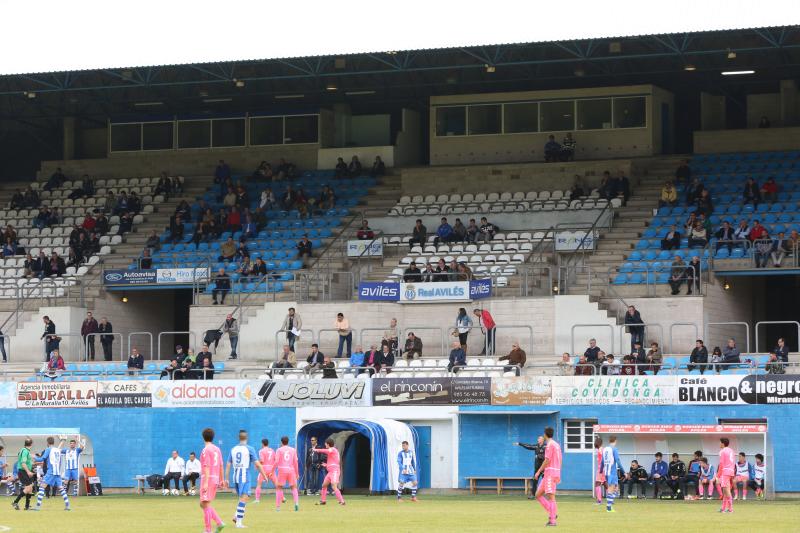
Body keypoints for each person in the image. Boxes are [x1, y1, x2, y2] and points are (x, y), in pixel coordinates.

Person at [225, 430, 268, 529]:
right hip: (244, 475)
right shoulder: (249, 449)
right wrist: (264, 475)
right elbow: (257, 464)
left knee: (244, 498)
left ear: (239, 438)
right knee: (244, 498)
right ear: (246, 438)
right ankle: (239, 523)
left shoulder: (233, 449)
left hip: (235, 475)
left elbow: (228, 465)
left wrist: (226, 479)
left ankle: (236, 516)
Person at [533, 427, 561, 527]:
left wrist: (538, 471)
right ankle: (553, 512)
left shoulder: (550, 445)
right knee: (537, 495)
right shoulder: (557, 444)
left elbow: (547, 460)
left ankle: (552, 520)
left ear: (545, 434)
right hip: (551, 473)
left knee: (551, 496)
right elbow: (560, 460)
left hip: (550, 473)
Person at [199, 427, 226, 533]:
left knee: (205, 504)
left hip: (208, 478)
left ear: (203, 437)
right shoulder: (217, 449)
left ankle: (208, 530)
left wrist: (205, 483)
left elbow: (206, 466)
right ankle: (219, 523)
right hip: (214, 478)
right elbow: (221, 465)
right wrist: (222, 480)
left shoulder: (206, 450)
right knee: (203, 503)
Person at [33, 435, 70, 511]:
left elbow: (42, 458)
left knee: (42, 487)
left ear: (47, 442)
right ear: (53, 442)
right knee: (61, 488)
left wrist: (34, 457)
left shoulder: (48, 449)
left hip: (51, 471)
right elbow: (65, 450)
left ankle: (38, 506)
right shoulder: (57, 449)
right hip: (57, 472)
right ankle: (67, 505)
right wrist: (63, 440)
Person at [313, 438, 346, 506]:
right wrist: (327, 465)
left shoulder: (332, 449)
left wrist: (316, 450)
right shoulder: (333, 451)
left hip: (334, 471)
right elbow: (334, 461)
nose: (325, 445)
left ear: (328, 444)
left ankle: (342, 501)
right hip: (330, 472)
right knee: (324, 485)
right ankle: (323, 501)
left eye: (325, 444)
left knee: (334, 486)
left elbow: (326, 451)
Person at [274, 436, 300, 512]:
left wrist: (272, 470)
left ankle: (278, 507)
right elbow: (295, 462)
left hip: (282, 470)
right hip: (291, 470)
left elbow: (276, 461)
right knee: (294, 487)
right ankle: (296, 504)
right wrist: (297, 473)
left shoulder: (279, 450)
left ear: (281, 442)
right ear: (288, 442)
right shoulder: (293, 450)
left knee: (279, 488)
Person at [11, 438, 35, 510]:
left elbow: (27, 462)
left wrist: (37, 463)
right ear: (31, 444)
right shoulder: (25, 451)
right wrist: (28, 471)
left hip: (23, 471)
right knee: (28, 488)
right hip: (23, 471)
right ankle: (15, 501)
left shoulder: (23, 450)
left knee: (30, 488)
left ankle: (27, 506)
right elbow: (23, 463)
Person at [715, 437, 736, 513]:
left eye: (720, 442)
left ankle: (730, 509)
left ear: (722, 443)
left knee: (726, 490)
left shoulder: (722, 451)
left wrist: (717, 475)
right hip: (730, 471)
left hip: (725, 471)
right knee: (725, 490)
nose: (719, 444)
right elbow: (733, 462)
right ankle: (723, 508)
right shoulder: (731, 450)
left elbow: (721, 464)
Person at [602, 435, 622, 512]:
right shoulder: (614, 449)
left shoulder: (605, 449)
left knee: (614, 489)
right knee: (614, 490)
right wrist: (623, 471)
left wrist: (601, 471)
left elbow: (602, 462)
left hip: (607, 472)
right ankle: (608, 507)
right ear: (615, 441)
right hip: (612, 472)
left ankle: (609, 506)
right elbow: (617, 460)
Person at [254, 439, 278, 503]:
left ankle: (257, 499)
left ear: (262, 444)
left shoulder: (261, 451)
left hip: (264, 469)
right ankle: (282, 497)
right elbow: (275, 460)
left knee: (259, 484)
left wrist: (257, 464)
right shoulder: (272, 450)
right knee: (276, 484)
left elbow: (262, 461)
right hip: (271, 469)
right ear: (268, 443)